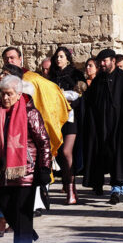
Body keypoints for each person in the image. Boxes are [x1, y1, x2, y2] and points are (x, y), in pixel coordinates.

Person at [0, 74, 52, 243]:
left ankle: (25, 236)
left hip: (25, 173)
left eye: (9, 94)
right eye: (2, 93)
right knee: (3, 204)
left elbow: (44, 142)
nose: (5, 97)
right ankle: (27, 232)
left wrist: (44, 168)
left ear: (19, 94)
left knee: (22, 214)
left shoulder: (30, 113)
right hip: (2, 173)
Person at [82, 49, 123, 204]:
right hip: (103, 127)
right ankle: (112, 188)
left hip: (121, 126)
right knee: (109, 158)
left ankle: (119, 190)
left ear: (113, 60)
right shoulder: (99, 81)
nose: (102, 65)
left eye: (105, 61)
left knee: (121, 157)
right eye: (100, 62)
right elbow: (92, 104)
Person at [48, 46, 86, 205]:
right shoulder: (51, 76)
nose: (58, 59)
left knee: (66, 151)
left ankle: (70, 190)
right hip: (56, 118)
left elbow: (81, 95)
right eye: (57, 56)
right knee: (59, 153)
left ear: (67, 58)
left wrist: (70, 100)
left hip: (71, 118)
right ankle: (67, 184)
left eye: (61, 56)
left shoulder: (76, 74)